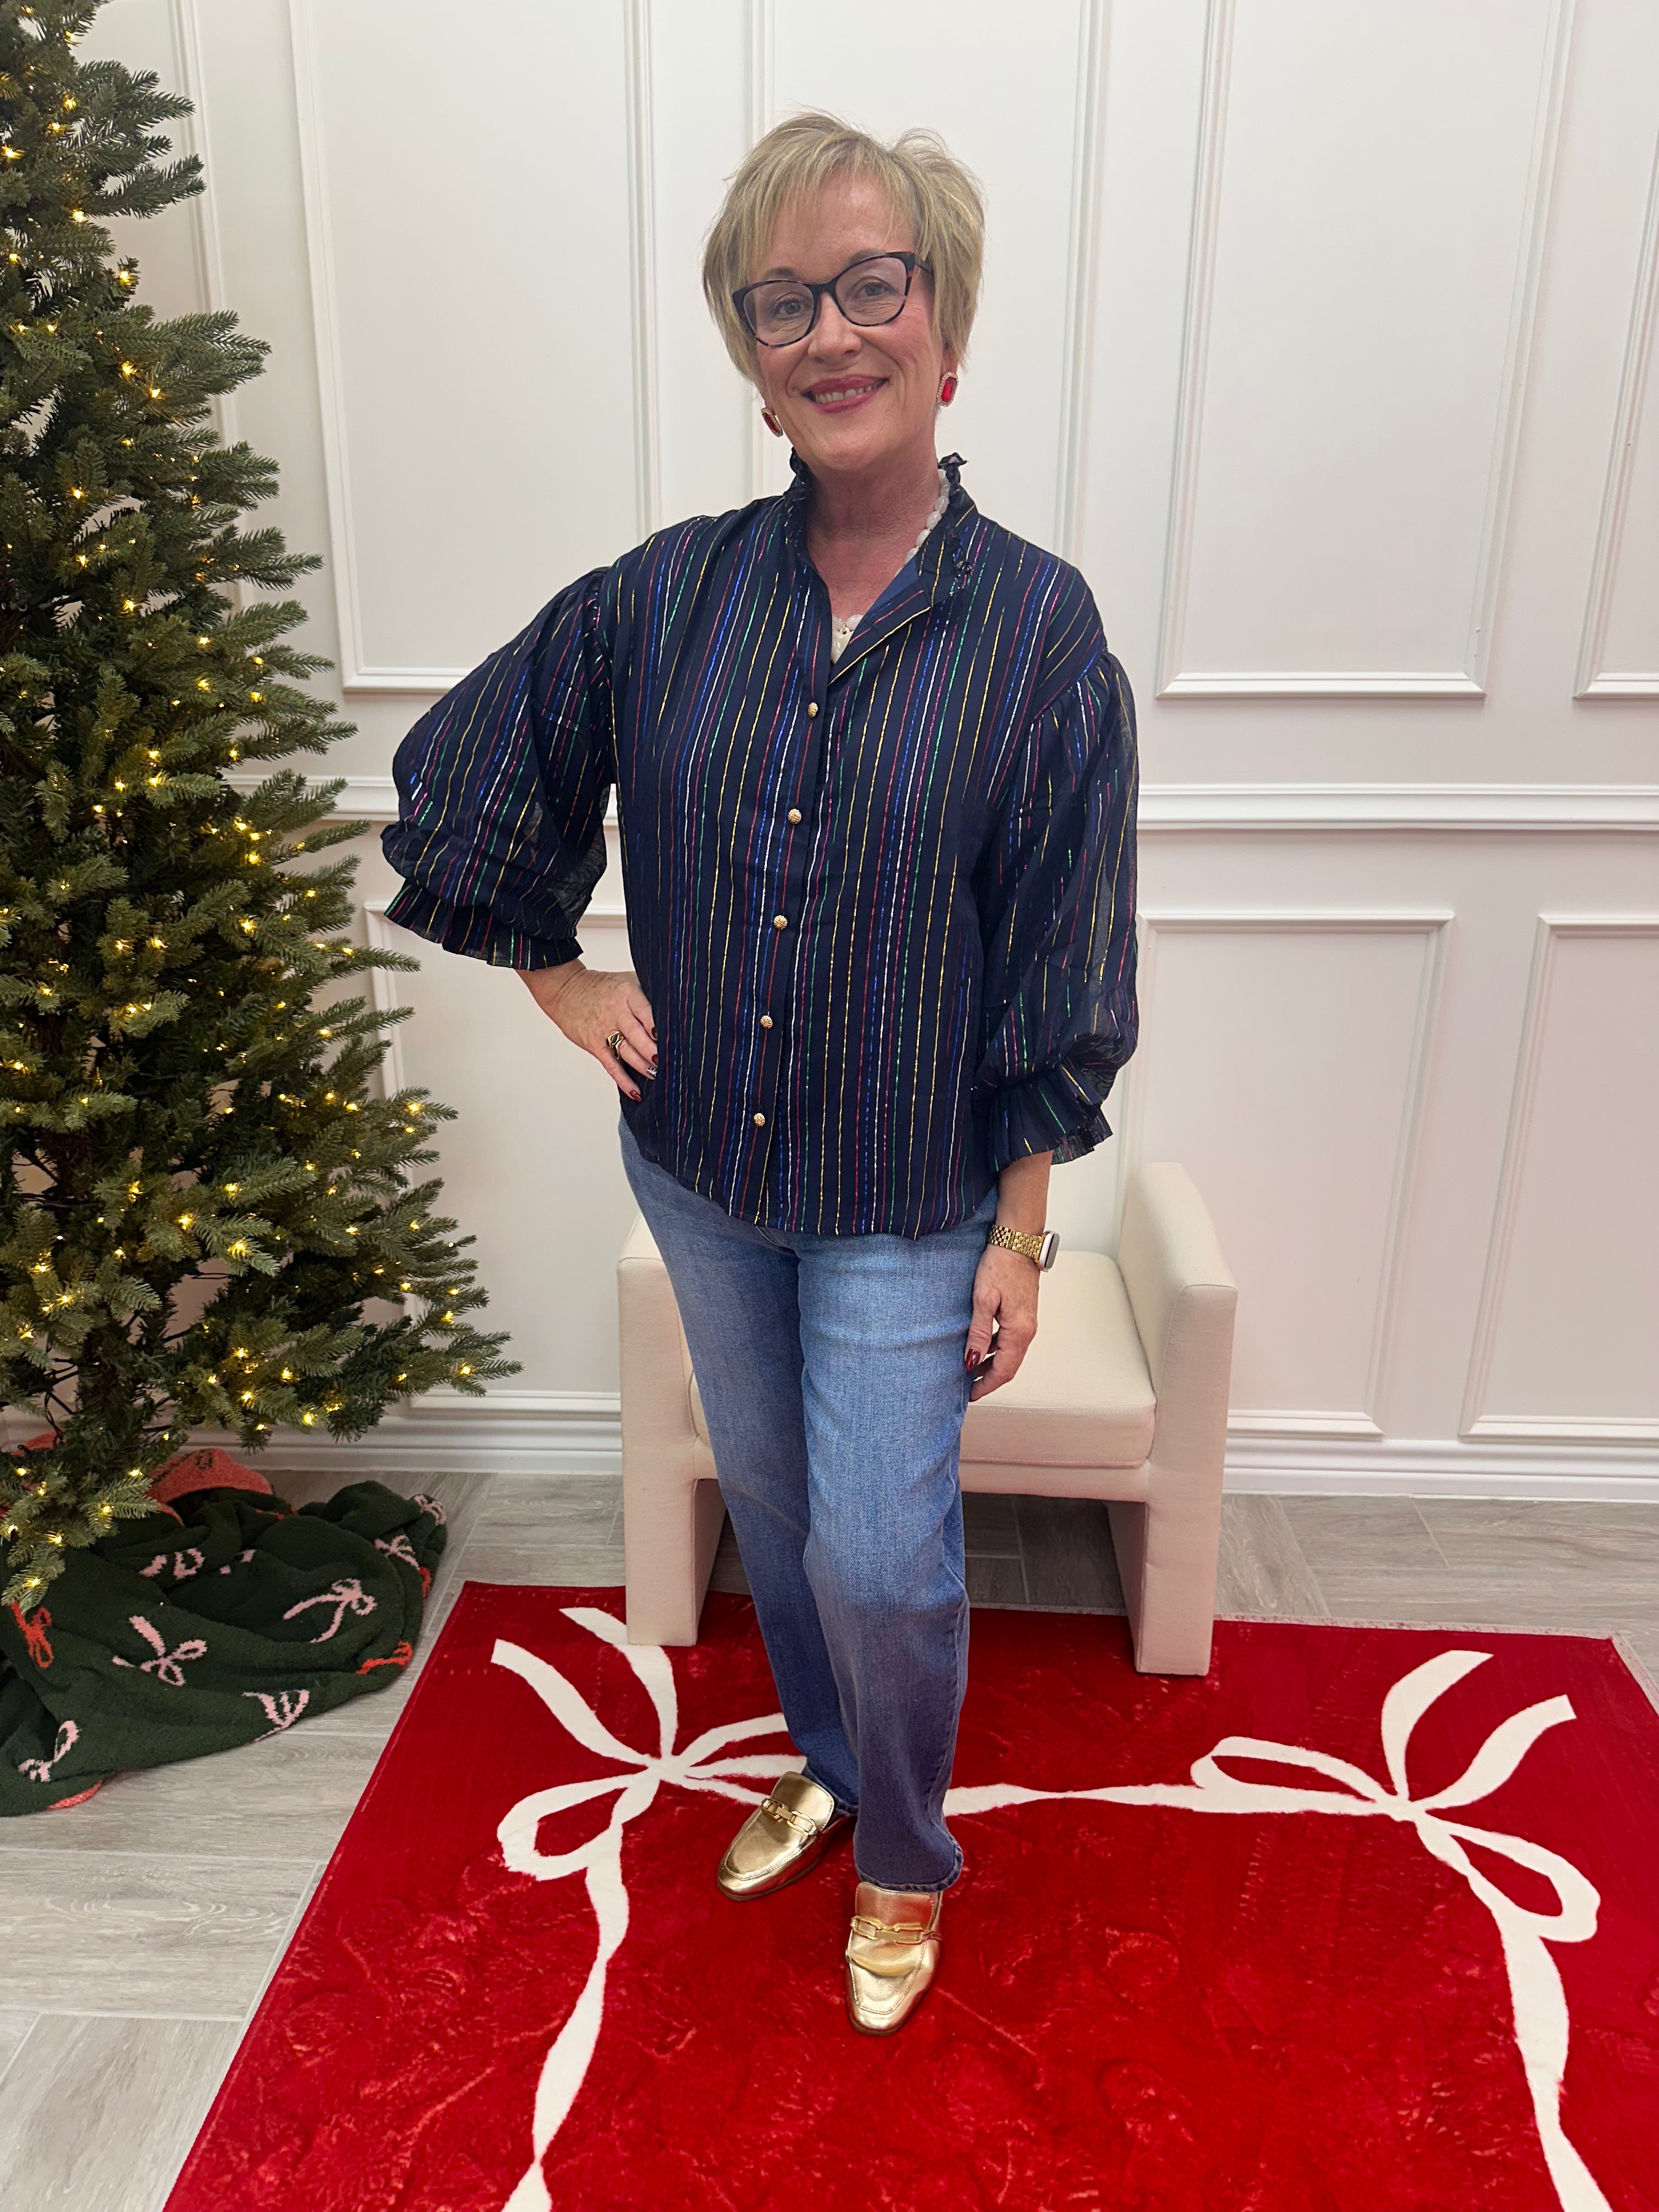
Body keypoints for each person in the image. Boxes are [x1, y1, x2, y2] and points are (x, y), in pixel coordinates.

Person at [381, 109, 1139, 2036]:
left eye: (871, 284)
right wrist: (560, 977)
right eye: (782, 301)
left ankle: (909, 1851)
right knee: (788, 1519)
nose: (831, 331)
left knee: (887, 1554)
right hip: (705, 1166)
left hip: (911, 1191)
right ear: (751, 352)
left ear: (945, 323)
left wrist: (1022, 1232)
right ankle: (825, 1755)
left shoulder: (1038, 631)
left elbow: (1059, 948)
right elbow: (474, 767)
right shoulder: (669, 598)